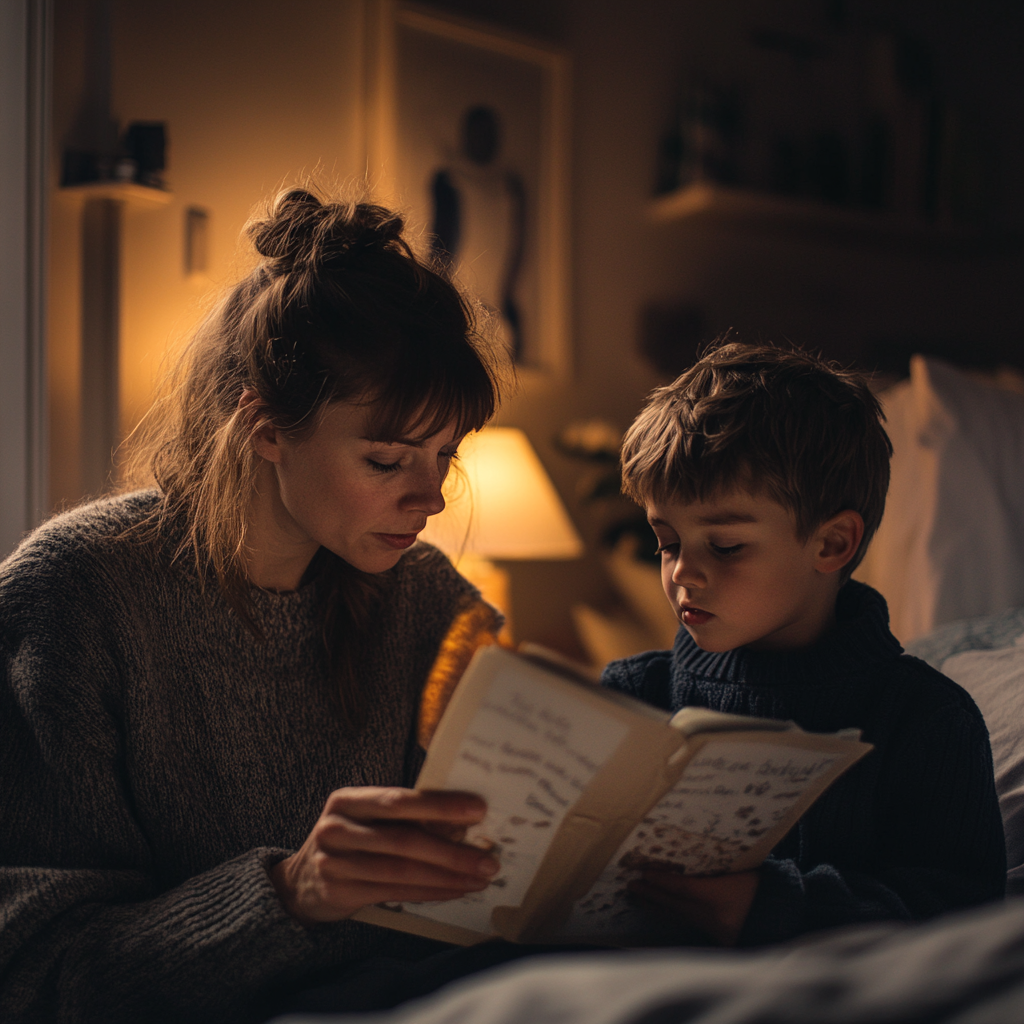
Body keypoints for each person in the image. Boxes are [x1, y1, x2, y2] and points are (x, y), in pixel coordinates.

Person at [0, 187, 517, 1024]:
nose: (432, 498)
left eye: (444, 456)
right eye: (388, 461)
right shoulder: (74, 599)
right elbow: (33, 979)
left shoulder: (423, 599)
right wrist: (290, 893)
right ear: (266, 427)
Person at [601, 341, 1006, 947]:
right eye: (667, 542)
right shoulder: (630, 693)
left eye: (726, 545)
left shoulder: (925, 720)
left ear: (832, 544)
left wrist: (775, 905)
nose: (682, 571)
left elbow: (960, 919)